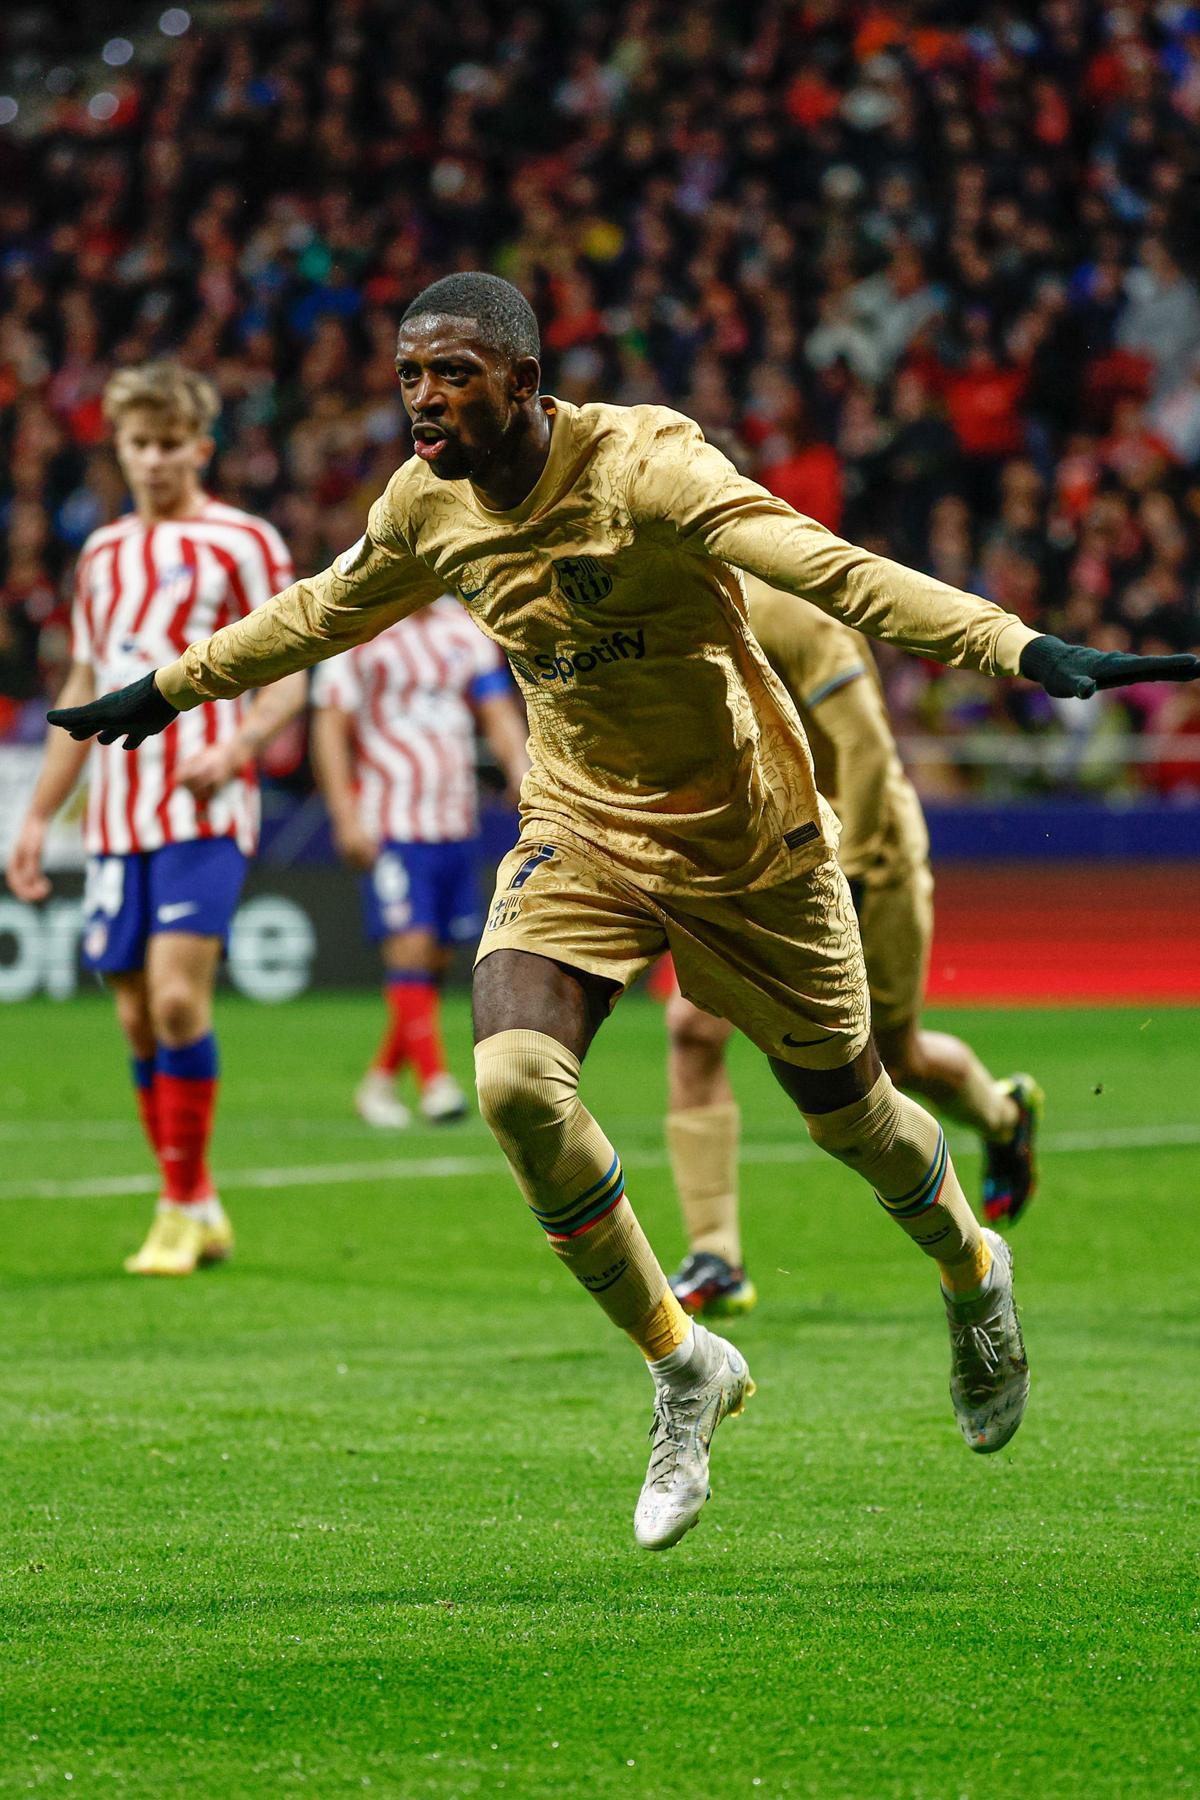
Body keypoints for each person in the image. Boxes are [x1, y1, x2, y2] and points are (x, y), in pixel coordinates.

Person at [49, 274, 1200, 1550]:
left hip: (748, 841)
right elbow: (324, 610)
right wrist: (169, 687)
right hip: (581, 833)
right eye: (409, 375)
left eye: (454, 375)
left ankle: (975, 1271)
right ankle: (682, 1361)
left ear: (524, 383)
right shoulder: (423, 507)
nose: (424, 399)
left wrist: (1024, 650)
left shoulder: (647, 466)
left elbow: (832, 570)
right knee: (515, 1087)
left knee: (857, 1121)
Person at [664, 579, 1041, 1320]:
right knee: (692, 1028)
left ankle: (1003, 1116)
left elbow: (866, 747)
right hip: (756, 849)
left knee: (894, 1060)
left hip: (865, 850)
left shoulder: (790, 616)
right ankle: (717, 1255)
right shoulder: (659, 610)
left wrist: (857, 872)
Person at [6, 362, 304, 1276]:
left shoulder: (244, 542)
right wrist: (35, 818)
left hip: (204, 804)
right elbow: (83, 687)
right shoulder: (101, 555)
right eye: (139, 443)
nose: (155, 459)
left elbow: (291, 672)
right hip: (116, 816)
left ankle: (177, 1205)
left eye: (172, 442)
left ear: (201, 446)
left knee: (178, 999)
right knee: (136, 1019)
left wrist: (237, 747)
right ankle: (197, 1199)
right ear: (121, 449)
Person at [310, 600, 529, 1127]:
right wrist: (344, 814)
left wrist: (527, 778)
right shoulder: (359, 623)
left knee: (433, 957)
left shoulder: (465, 628)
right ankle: (436, 1084)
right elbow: (330, 725)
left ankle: (380, 1083)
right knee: (409, 943)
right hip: (389, 821)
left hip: (454, 820)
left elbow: (496, 712)